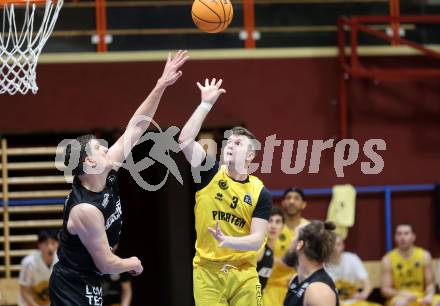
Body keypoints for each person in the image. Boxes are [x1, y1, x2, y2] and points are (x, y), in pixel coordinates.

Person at [49, 50, 188, 306]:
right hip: (73, 282)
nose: (106, 148)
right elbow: (106, 263)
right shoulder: (85, 210)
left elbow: (136, 126)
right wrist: (132, 263)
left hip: (89, 278)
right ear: (90, 162)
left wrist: (161, 84)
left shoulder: (106, 170)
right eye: (99, 148)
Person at [178, 78, 272, 306]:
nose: (230, 145)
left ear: (250, 156)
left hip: (244, 272)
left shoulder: (260, 192)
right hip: (207, 271)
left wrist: (227, 240)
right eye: (228, 141)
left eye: (238, 143)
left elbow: (257, 240)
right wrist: (205, 104)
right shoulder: (208, 171)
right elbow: (184, 140)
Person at [263, 188, 309, 306]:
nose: (292, 201)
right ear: (283, 203)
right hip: (270, 285)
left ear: (304, 204)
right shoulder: (271, 228)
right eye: (288, 198)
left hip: (297, 285)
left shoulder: (308, 229)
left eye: (296, 198)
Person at [381, 224, 440, 306]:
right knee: (400, 304)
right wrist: (401, 293)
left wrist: (429, 295)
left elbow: (430, 284)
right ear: (395, 238)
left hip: (421, 296)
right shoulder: (388, 259)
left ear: (413, 237)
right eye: (399, 234)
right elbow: (385, 290)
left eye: (406, 233)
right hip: (399, 297)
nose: (402, 237)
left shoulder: (424, 255)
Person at [283, 220, 339, 306]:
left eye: (294, 236)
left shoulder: (318, 291)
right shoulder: (296, 279)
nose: (291, 240)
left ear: (300, 245)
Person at [326, 234, 380, 306]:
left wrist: (364, 294)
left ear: (343, 246)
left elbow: (367, 283)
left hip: (354, 301)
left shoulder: (352, 258)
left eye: (338, 244)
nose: (335, 248)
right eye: (332, 245)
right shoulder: (322, 265)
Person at [18, 229, 59, 306]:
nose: (50, 247)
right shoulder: (28, 263)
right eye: (46, 243)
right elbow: (24, 290)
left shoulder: (61, 261)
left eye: (53, 243)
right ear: (39, 245)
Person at [257, 207, 285, 290]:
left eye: (277, 222)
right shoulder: (259, 245)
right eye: (270, 221)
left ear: (283, 226)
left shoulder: (270, 250)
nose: (273, 226)